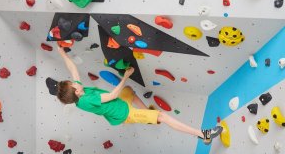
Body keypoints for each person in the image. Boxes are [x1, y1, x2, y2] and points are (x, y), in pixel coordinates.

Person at [56, 47, 222, 145]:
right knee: (162, 116)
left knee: (129, 90)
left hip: (120, 104)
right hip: (125, 114)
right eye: (73, 84)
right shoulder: (87, 99)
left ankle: (149, 118)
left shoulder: (77, 94)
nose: (74, 81)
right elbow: (113, 94)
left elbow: (73, 69)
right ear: (77, 92)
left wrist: (61, 52)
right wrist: (126, 75)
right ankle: (204, 135)